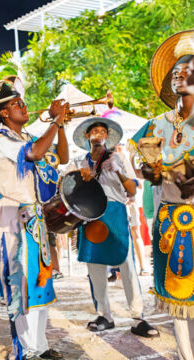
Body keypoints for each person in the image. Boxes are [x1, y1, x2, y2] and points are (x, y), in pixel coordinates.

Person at [0, 81, 69, 360]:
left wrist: (62, 125)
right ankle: (25, 351)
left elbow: (62, 157)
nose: (24, 106)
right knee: (21, 287)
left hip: (34, 217)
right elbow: (35, 154)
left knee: (40, 284)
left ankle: (39, 347)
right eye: (17, 104)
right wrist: (55, 120)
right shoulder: (0, 139)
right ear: (4, 113)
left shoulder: (26, 137)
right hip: (13, 218)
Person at [131, 30, 194, 360]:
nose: (179, 74)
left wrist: (171, 173)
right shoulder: (155, 126)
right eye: (175, 71)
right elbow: (149, 171)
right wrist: (155, 171)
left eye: (187, 69)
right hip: (172, 220)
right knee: (179, 302)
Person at [72, 116, 158, 338]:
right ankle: (104, 316)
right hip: (90, 216)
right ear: (87, 136)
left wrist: (118, 170)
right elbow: (71, 190)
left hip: (115, 212)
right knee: (95, 268)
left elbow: (132, 190)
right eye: (94, 132)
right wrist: (82, 179)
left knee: (127, 264)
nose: (99, 135)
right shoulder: (80, 162)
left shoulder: (117, 158)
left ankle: (138, 317)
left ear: (107, 137)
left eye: (102, 131)